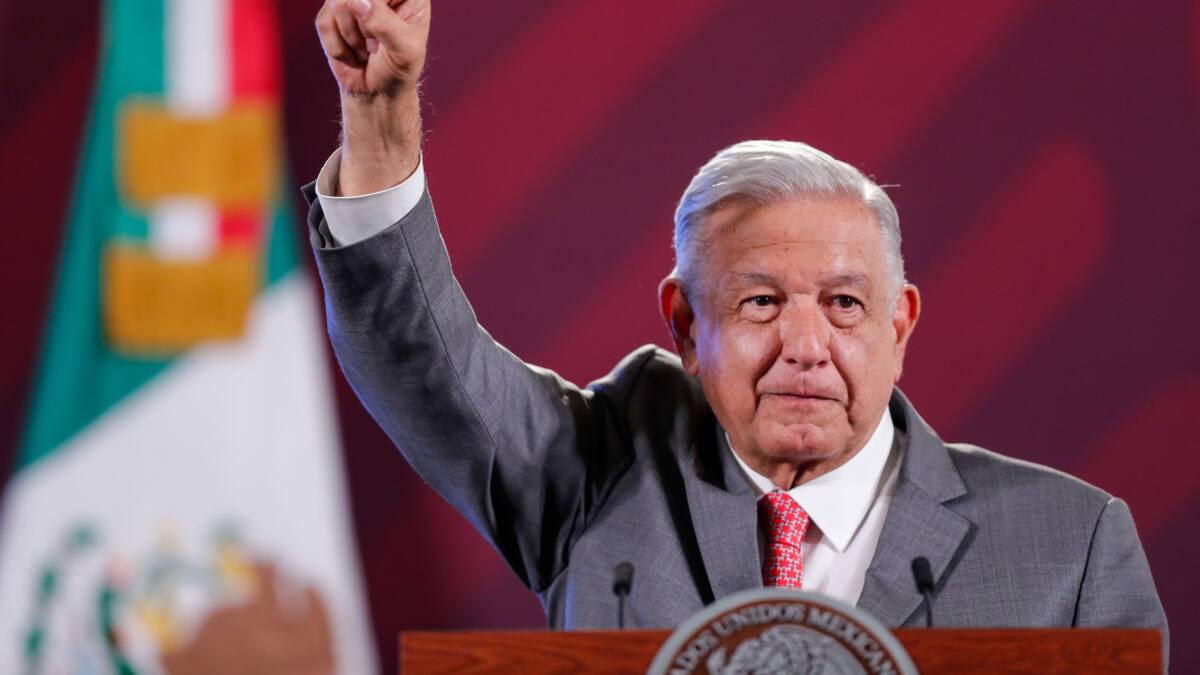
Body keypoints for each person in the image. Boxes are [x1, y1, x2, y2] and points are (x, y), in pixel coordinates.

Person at [310, 0, 1168, 658]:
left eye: (843, 303)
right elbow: (424, 365)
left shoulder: (1073, 547)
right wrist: (381, 122)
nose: (804, 346)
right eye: (761, 302)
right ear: (686, 324)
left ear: (899, 323)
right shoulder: (600, 476)